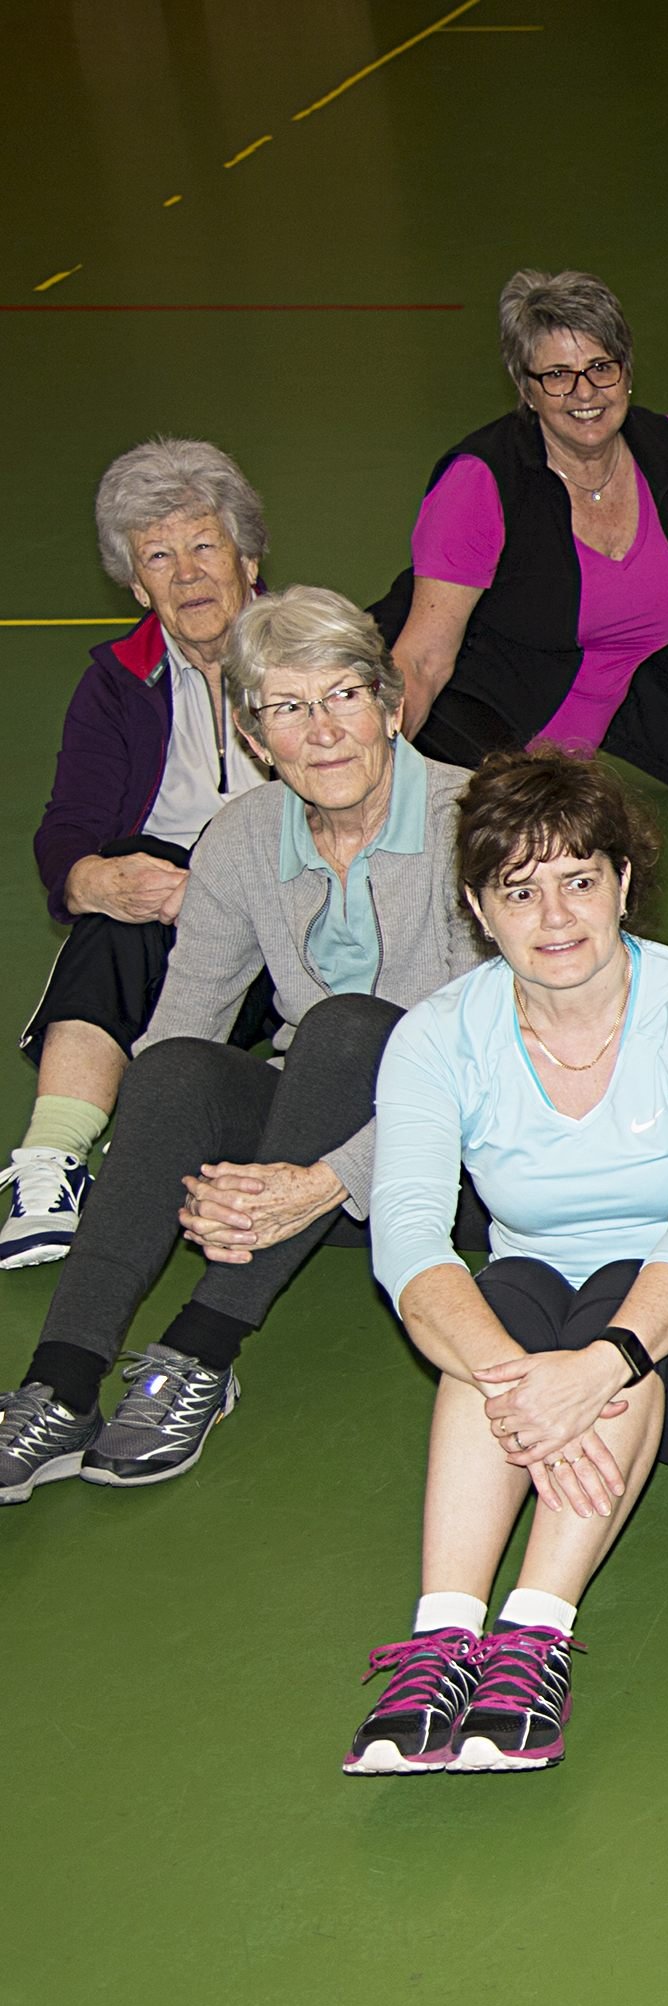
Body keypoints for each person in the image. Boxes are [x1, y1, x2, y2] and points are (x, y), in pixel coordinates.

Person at [343, 750, 668, 1778]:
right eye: (520, 890)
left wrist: (598, 1364)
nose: (554, 917)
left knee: (603, 1292)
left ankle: (535, 1639)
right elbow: (413, 1242)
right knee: (494, 1298)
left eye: (579, 880)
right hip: (545, 1346)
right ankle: (441, 1640)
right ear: (479, 904)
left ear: (622, 883)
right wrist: (522, 1380)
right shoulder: (436, 1038)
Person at [0, 589, 480, 1504]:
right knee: (174, 1067)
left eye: (343, 696)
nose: (324, 731)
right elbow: (184, 1024)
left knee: (348, 1027)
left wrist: (319, 1182)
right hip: (295, 1162)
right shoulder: (243, 836)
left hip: (450, 1166)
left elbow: (483, 1070)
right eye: (287, 709)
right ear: (258, 741)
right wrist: (208, 1180)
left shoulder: (473, 823)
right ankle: (57, 1384)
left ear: (391, 705)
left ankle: (198, 1352)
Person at [10, 442, 276, 1268]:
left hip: (292, 913)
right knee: (113, 894)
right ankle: (47, 1168)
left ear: (250, 558)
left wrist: (224, 887)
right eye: (159, 557)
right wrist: (93, 880)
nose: (188, 573)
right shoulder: (116, 681)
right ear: (135, 584)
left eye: (205, 545)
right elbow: (66, 828)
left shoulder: (311, 652)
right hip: (166, 931)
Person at [376, 270, 668, 798]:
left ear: (627, 371)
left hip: (570, 762)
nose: (584, 392)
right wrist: (376, 786)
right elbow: (424, 661)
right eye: (558, 375)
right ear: (526, 388)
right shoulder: (481, 480)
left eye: (601, 368)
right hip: (471, 739)